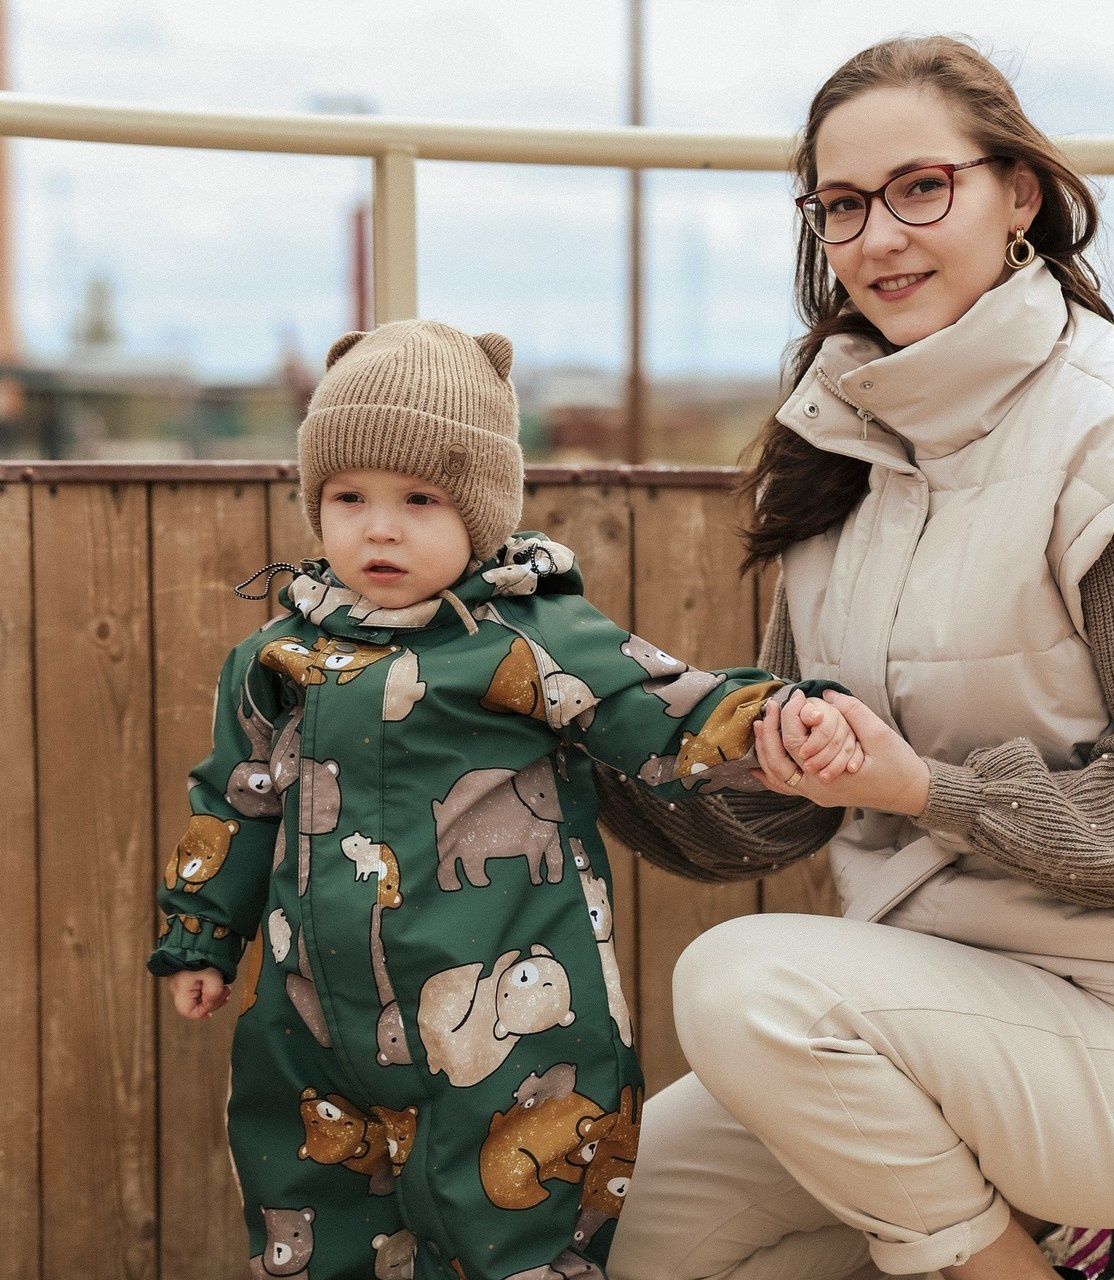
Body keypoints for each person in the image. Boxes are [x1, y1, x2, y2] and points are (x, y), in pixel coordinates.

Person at [598, 33, 1114, 1280]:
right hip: (919, 1020)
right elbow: (780, 821)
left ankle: (1025, 1259)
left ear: (1016, 193)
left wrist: (924, 789)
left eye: (921, 188)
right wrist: (600, 726)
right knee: (628, 1239)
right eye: (841, 206)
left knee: (744, 983)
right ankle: (999, 1233)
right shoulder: (843, 442)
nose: (877, 238)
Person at [146, 320, 860, 1280]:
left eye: (418, 499)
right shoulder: (280, 656)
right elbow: (234, 799)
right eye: (349, 498)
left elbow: (668, 706)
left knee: (513, 1227)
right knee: (311, 1220)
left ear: (477, 511)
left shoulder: (529, 639)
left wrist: (788, 718)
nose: (380, 527)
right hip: (309, 1021)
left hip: (506, 1027)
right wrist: (201, 931)